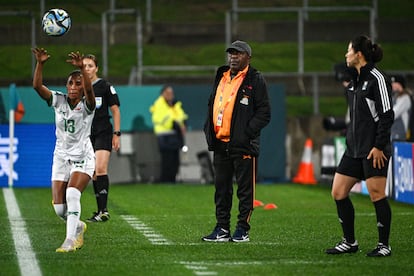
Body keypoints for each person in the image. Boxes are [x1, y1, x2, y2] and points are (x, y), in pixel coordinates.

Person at [325, 35, 394, 257]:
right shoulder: (354, 80)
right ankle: (349, 242)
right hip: (353, 149)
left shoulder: (377, 78)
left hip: (374, 149)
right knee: (338, 191)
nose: (346, 55)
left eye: (348, 50)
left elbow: (386, 116)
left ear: (359, 54)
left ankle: (384, 245)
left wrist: (379, 146)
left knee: (376, 194)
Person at [202, 40, 271, 243]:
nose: (233, 56)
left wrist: (246, 133)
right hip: (221, 143)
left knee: (245, 190)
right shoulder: (221, 76)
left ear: (248, 57)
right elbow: (213, 102)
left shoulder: (255, 79)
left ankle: (242, 229)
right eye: (231, 53)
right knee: (221, 189)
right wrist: (209, 127)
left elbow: (264, 112)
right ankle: (222, 228)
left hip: (243, 144)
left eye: (238, 53)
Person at [32, 47, 95, 252]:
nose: (74, 86)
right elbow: (37, 86)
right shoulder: (58, 100)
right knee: (60, 210)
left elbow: (91, 92)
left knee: (72, 195)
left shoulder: (88, 105)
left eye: (78, 83)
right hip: (60, 156)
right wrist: (40, 64)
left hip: (82, 157)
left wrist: (82, 71)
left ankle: (69, 241)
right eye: (71, 82)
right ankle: (78, 226)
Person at [82, 54, 121, 222]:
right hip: (86, 134)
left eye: (90, 65)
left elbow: (115, 110)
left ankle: (104, 210)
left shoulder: (104, 86)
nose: (87, 69)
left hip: (103, 131)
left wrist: (117, 134)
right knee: (93, 173)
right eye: (84, 66)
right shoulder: (78, 85)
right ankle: (100, 211)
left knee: (100, 168)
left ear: (96, 68)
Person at [149, 85, 188, 183]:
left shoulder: (175, 105)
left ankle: (172, 180)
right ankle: (166, 180)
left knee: (175, 160)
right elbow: (162, 119)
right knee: (167, 159)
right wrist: (177, 124)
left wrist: (182, 124)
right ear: (163, 94)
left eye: (171, 93)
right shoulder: (159, 104)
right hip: (165, 136)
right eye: (168, 93)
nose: (171, 95)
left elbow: (181, 116)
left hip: (175, 135)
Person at [389, 75, 411, 141]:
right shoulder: (394, 97)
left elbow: (394, 113)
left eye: (394, 83)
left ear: (399, 84)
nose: (392, 85)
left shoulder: (405, 98)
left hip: (399, 135)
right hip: (393, 134)